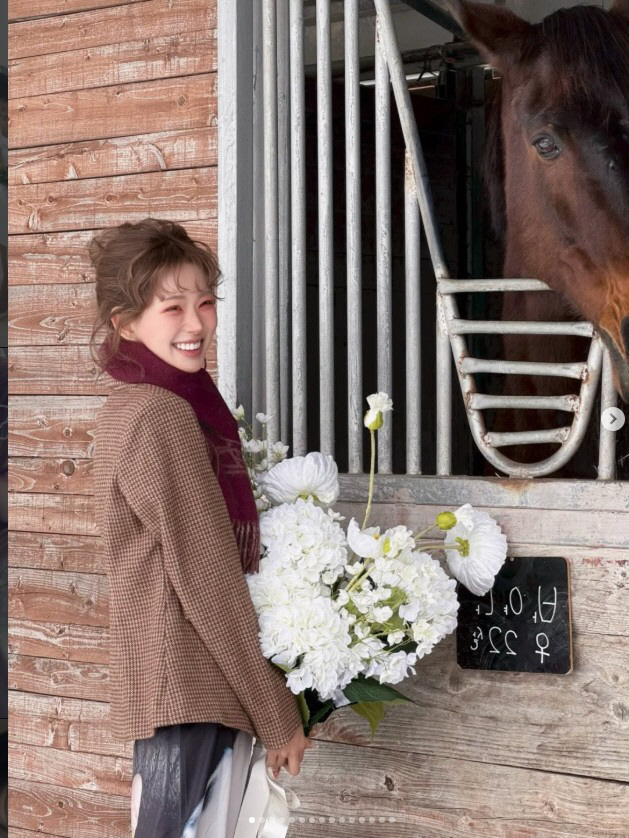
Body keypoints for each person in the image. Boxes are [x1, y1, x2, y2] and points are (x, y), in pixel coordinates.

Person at [90, 218, 310, 838]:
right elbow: (207, 577)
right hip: (186, 688)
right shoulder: (160, 415)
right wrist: (277, 713)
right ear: (125, 323)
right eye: (172, 308)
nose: (196, 323)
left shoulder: (142, 402)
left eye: (206, 302)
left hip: (184, 686)